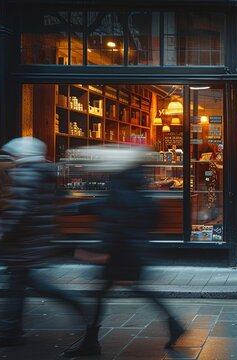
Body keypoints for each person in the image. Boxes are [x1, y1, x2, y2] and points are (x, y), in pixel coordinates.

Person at [62, 146, 185, 357]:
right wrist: (76, 209)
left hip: (120, 252)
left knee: (106, 293)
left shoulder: (119, 187)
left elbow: (113, 219)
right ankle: (174, 325)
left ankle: (91, 342)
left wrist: (100, 252)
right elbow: (144, 215)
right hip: (132, 250)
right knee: (121, 291)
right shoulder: (134, 184)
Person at [0, 137, 91, 348]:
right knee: (17, 285)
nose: (13, 158)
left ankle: (80, 307)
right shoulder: (43, 171)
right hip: (34, 238)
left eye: (14, 155)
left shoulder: (28, 173)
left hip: (25, 241)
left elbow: (21, 209)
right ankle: (10, 330)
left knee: (32, 285)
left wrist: (1, 231)